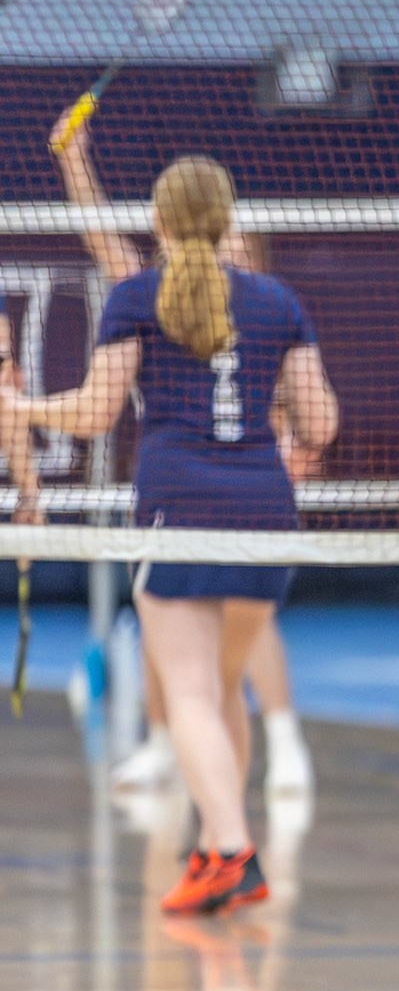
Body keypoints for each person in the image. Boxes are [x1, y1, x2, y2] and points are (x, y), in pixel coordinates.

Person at [1, 155, 338, 914]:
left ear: (158, 220)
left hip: (177, 508)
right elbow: (320, 425)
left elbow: (96, 414)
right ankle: (217, 845)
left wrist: (20, 410)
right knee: (220, 691)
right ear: (227, 220)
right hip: (266, 514)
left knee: (188, 691)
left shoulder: (137, 297)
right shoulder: (278, 301)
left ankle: (232, 850)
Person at [52, 105, 314, 797]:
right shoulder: (155, 297)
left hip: (223, 491)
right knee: (178, 642)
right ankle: (174, 753)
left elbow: (305, 416)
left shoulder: (265, 310)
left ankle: (279, 746)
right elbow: (104, 240)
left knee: (224, 643)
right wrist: (75, 163)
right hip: (210, 498)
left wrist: (293, 442)